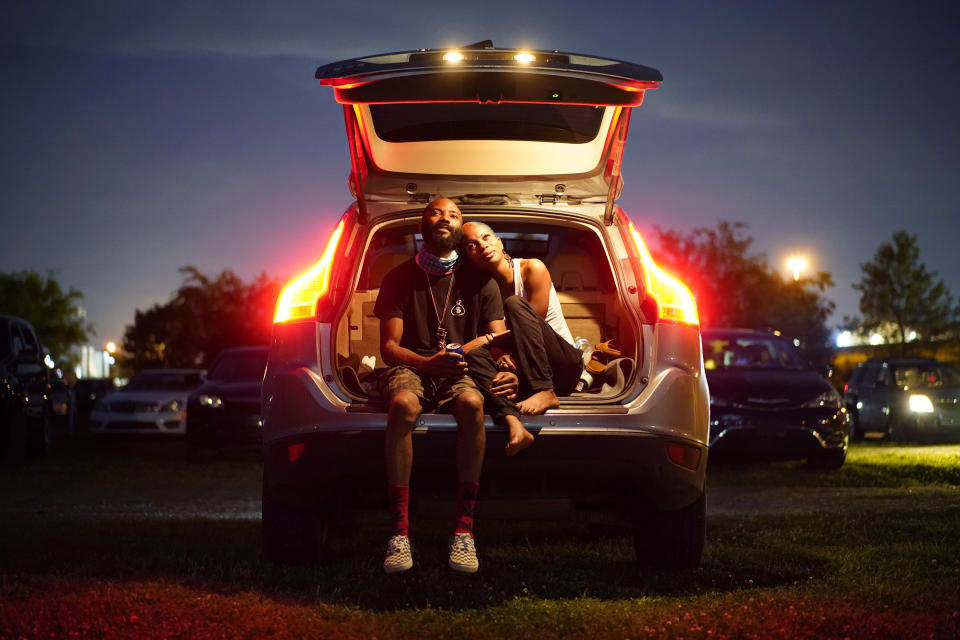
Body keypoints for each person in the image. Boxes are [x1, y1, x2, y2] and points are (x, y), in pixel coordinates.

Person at [373, 198, 515, 575]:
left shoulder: (480, 281)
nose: (445, 218)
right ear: (422, 225)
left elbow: (498, 338)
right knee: (403, 404)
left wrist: (502, 363)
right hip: (413, 365)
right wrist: (426, 363)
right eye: (436, 212)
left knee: (472, 404)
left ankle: (464, 531)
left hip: (460, 368)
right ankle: (399, 533)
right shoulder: (399, 278)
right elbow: (388, 349)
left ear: (459, 231)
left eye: (454, 215)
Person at [460, 221, 584, 449]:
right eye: (472, 245)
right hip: (525, 372)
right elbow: (504, 344)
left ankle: (545, 391)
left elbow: (528, 328)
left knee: (515, 304)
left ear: (499, 242)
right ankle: (507, 409)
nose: (482, 245)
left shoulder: (531, 268)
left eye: (486, 238)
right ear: (468, 258)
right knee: (475, 355)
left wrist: (485, 340)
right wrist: (505, 363)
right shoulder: (482, 291)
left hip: (562, 365)